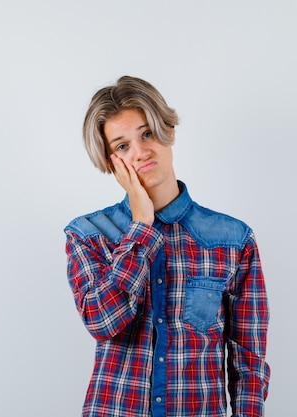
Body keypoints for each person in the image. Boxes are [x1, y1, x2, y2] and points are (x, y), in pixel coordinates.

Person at [64, 76, 270, 417]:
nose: (141, 152)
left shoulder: (233, 239)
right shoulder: (88, 234)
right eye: (122, 146)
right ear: (109, 160)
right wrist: (140, 226)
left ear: (168, 131)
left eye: (146, 134)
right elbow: (102, 322)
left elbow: (249, 359)